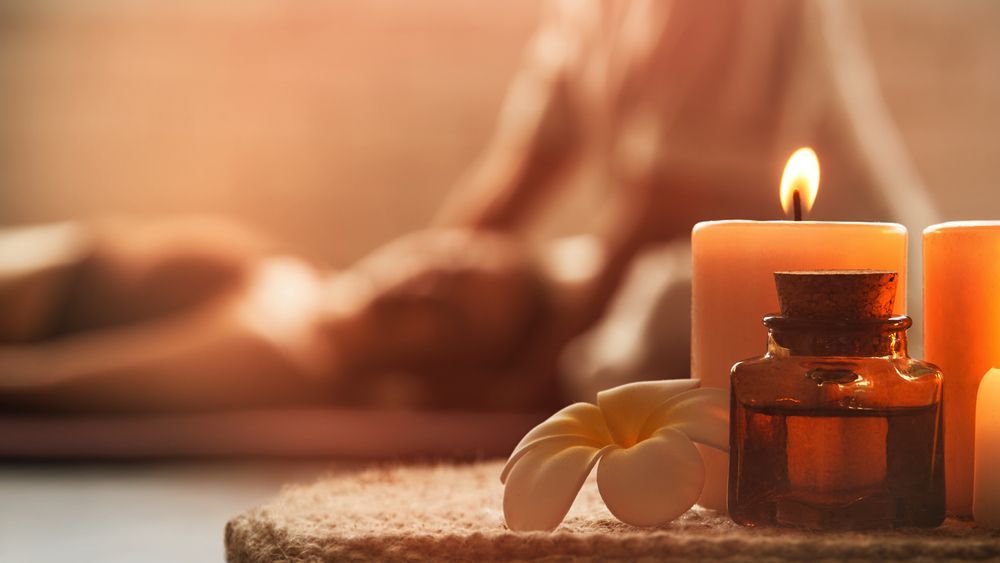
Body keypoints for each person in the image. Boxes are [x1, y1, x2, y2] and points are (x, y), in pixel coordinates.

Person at [0, 1, 936, 412]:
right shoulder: (594, 10)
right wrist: (390, 276)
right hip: (645, 289)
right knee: (271, 295)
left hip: (851, 308)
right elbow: (523, 170)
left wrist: (518, 380)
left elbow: (666, 200)